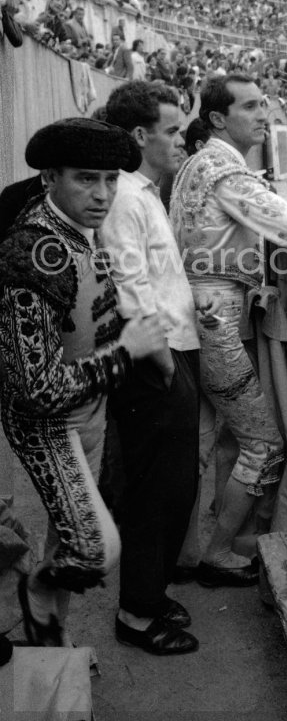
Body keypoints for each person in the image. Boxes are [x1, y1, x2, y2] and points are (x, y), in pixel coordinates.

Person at [170, 74, 287, 588]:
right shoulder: (224, 170)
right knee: (263, 445)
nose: (263, 114)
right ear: (217, 118)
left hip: (200, 313)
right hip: (218, 319)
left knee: (204, 440)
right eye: (250, 107)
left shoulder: (200, 163)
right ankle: (217, 552)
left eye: (264, 105)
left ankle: (185, 552)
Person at [0, 118, 166, 647]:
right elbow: (37, 389)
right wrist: (127, 353)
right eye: (86, 179)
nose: (102, 195)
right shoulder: (35, 253)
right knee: (94, 549)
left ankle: (50, 639)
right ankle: (35, 593)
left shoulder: (76, 230)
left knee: (67, 534)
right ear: (50, 178)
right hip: (47, 425)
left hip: (87, 413)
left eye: (111, 179)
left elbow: (91, 314)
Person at [102, 81, 201, 656]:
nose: (179, 140)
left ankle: (150, 594)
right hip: (154, 359)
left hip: (169, 349)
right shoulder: (125, 197)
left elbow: (154, 279)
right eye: (170, 130)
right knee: (155, 491)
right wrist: (163, 361)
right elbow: (129, 285)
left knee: (173, 485)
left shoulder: (141, 192)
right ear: (140, 136)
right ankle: (136, 613)